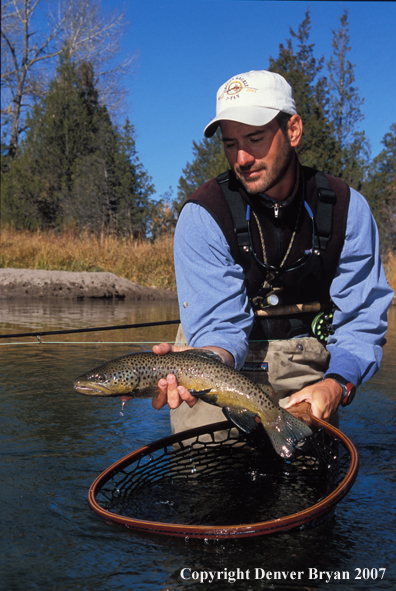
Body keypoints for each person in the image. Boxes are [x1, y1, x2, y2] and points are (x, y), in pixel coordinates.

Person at [152, 70, 394, 434]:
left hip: (307, 369)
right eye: (230, 143)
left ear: (293, 130)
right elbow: (220, 326)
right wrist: (196, 367)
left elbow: (361, 317)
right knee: (206, 487)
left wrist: (338, 382)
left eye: (255, 138)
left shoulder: (346, 208)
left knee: (302, 483)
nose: (243, 157)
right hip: (218, 363)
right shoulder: (204, 215)